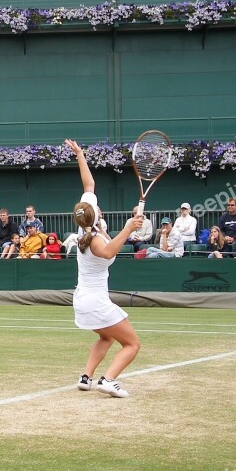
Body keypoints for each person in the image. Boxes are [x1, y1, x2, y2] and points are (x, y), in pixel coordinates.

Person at [66, 139, 143, 399]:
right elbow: (109, 251)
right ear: (96, 215)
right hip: (95, 302)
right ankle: (108, 380)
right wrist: (129, 228)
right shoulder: (97, 241)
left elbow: (89, 184)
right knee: (132, 344)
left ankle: (85, 378)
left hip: (83, 300)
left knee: (106, 338)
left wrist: (80, 154)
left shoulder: (84, 222)